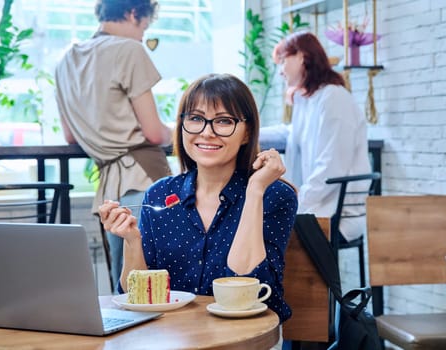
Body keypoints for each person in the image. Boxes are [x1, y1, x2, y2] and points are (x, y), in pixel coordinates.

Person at [99, 73, 298, 347]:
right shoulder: (160, 194)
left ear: (248, 132)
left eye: (224, 121)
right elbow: (137, 296)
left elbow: (245, 281)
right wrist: (133, 241)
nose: (207, 131)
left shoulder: (274, 195)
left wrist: (254, 191)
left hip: (247, 339)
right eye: (195, 119)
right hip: (172, 339)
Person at [54, 0, 173, 289]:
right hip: (146, 177)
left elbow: (70, 137)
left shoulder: (65, 61)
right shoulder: (128, 50)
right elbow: (155, 133)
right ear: (134, 13)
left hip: (110, 186)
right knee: (158, 281)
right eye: (144, 26)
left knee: (124, 285)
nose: (143, 36)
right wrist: (186, 135)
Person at [260, 31, 371, 242]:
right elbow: (290, 133)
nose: (281, 71)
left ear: (301, 57)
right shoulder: (308, 99)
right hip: (319, 201)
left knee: (268, 228)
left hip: (338, 212)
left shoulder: (334, 97)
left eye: (283, 61)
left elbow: (331, 166)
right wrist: (247, 131)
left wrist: (296, 202)